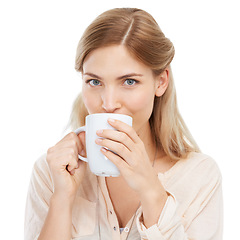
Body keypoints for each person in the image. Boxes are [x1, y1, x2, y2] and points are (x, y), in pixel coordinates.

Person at [24, 8, 223, 240]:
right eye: (94, 81)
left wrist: (151, 191)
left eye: (129, 81)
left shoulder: (200, 177)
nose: (108, 104)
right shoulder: (52, 172)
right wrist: (62, 198)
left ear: (160, 82)